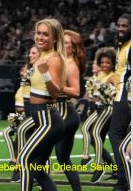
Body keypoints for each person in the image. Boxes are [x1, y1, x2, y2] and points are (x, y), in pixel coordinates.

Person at [15, 19, 66, 191]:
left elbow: (55, 93)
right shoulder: (40, 57)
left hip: (48, 120)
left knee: (24, 159)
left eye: (45, 34)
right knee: (37, 169)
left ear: (55, 39)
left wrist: (44, 74)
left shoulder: (54, 59)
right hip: (40, 118)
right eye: (38, 33)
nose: (40, 37)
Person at [54, 29, 87, 191]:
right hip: (63, 112)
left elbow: (76, 91)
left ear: (73, 47)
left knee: (40, 154)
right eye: (62, 41)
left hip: (65, 113)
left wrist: (55, 85)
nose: (63, 45)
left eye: (67, 43)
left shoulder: (71, 65)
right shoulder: (63, 60)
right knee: (63, 158)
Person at [81, 47, 119, 179]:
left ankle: (98, 166)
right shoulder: (99, 75)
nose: (104, 65)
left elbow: (116, 94)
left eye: (107, 63)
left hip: (108, 108)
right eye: (102, 62)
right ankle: (87, 157)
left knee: (94, 133)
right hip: (98, 109)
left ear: (113, 64)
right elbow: (93, 94)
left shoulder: (112, 76)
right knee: (86, 129)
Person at [6, 46, 38, 182]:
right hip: (24, 115)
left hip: (35, 114)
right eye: (29, 53)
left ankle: (19, 166)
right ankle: (17, 163)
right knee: (11, 132)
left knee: (32, 143)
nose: (30, 55)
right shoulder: (24, 82)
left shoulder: (36, 74)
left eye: (33, 53)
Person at [107, 15, 131, 191]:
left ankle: (123, 179)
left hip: (126, 98)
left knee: (115, 134)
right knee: (119, 136)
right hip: (120, 96)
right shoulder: (122, 46)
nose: (121, 28)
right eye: (119, 25)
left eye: (125, 26)